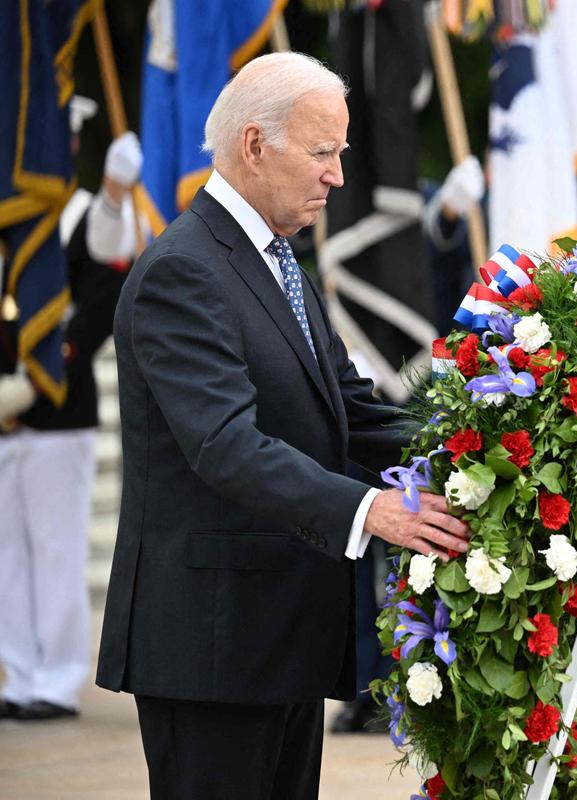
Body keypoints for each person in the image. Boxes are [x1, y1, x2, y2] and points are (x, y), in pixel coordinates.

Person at [95, 53, 472, 799]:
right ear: (255, 146)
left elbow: (350, 410)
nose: (336, 175)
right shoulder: (185, 270)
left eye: (342, 154)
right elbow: (224, 445)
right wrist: (375, 511)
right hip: (210, 646)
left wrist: (479, 441)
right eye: (323, 152)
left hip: (277, 635)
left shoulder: (277, 258)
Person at [0, 99, 143, 722]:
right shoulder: (13, 216)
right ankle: (18, 673)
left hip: (59, 408)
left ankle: (55, 679)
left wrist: (115, 194)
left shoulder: (86, 214)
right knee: (8, 553)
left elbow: (103, 293)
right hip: (6, 409)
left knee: (55, 548)